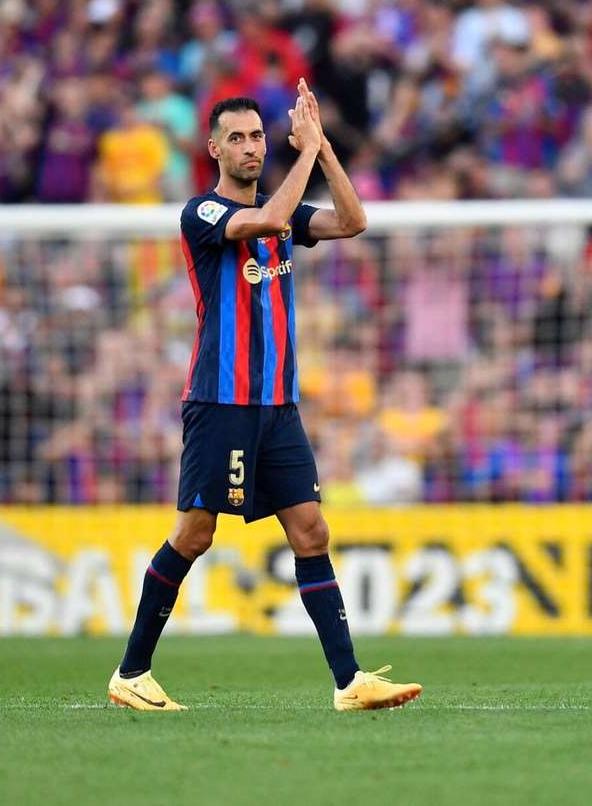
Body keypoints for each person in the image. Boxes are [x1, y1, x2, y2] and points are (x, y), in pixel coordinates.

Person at [107, 80, 422, 711]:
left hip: (278, 408)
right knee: (195, 534)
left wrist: (322, 147)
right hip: (220, 404)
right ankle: (131, 672)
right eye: (237, 138)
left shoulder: (284, 215)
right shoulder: (203, 214)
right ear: (215, 149)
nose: (251, 146)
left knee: (311, 531)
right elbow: (270, 219)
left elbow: (354, 221)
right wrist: (304, 155)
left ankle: (349, 681)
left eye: (257, 135)